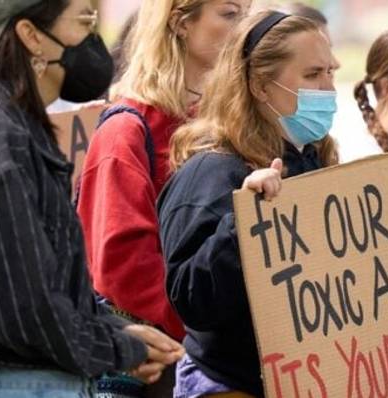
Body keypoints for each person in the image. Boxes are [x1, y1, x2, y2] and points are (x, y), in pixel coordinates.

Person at [0, 0, 184, 394]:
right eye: (84, 22)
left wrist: (117, 329)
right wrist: (119, 347)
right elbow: (17, 309)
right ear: (31, 36)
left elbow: (38, 285)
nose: (94, 41)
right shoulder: (0, 138)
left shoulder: (5, 127)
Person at [158, 11, 339, 396]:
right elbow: (191, 300)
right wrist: (245, 222)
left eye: (330, 72)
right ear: (259, 85)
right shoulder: (210, 172)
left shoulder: (312, 161)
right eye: (312, 75)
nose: (327, 89)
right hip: (228, 385)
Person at [76, 1, 250, 395]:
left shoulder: (234, 124)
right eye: (229, 13)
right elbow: (125, 270)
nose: (243, 27)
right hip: (162, 365)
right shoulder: (126, 130)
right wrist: (210, 339)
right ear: (181, 22)